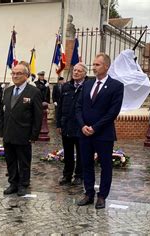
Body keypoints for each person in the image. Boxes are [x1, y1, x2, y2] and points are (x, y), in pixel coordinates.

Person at [76, 53, 124, 209]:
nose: (94, 67)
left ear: (106, 66)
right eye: (93, 64)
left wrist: (95, 128)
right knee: (86, 163)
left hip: (103, 134)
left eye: (97, 64)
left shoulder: (116, 86)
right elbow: (78, 107)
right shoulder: (87, 84)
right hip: (84, 133)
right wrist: (83, 125)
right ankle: (88, 193)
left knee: (105, 165)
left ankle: (102, 196)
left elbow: (112, 112)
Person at [1, 62, 42, 196]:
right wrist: (2, 130)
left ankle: (24, 184)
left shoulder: (34, 92)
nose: (15, 76)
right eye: (13, 73)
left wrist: (34, 134)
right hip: (8, 132)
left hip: (24, 133)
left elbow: (38, 115)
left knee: (24, 161)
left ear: (26, 75)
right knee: (10, 160)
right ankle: (13, 183)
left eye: (19, 73)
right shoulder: (7, 91)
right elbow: (4, 112)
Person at [56, 63, 87, 186]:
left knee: (81, 153)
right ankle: (67, 175)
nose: (76, 73)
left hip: (80, 126)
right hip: (67, 125)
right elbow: (60, 107)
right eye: (74, 70)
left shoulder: (87, 87)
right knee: (68, 152)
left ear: (84, 73)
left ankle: (79, 175)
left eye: (79, 71)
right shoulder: (66, 87)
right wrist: (59, 124)